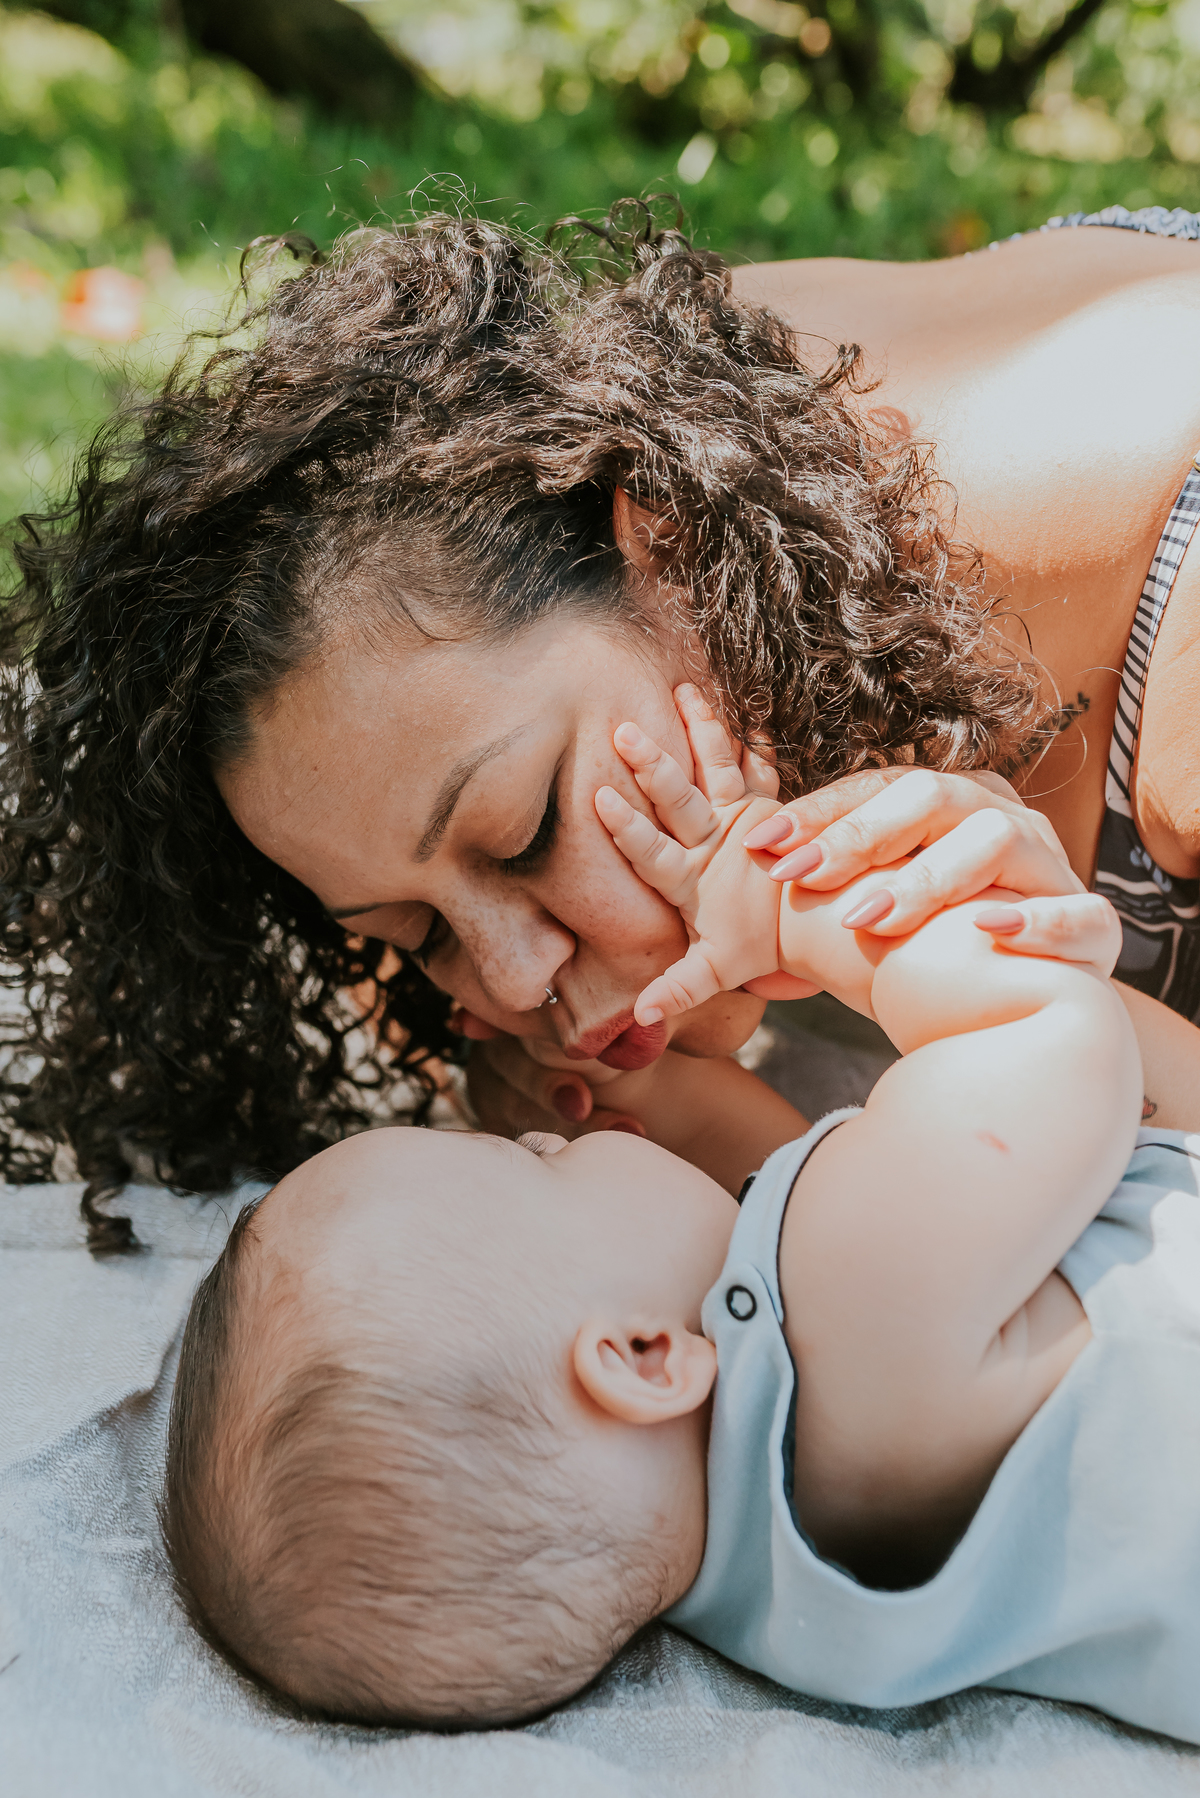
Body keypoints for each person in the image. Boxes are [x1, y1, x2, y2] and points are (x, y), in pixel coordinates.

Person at [7, 201, 1200, 1248]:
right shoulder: (631, 426)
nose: (521, 985)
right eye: (416, 929)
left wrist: (1028, 993)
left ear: (670, 547)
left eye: (524, 833)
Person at [161, 704, 1200, 1743]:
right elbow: (1050, 1032)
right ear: (643, 1357)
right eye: (533, 1166)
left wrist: (661, 1094)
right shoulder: (854, 1298)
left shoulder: (771, 1587)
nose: (547, 1139)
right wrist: (789, 917)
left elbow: (797, 1184)